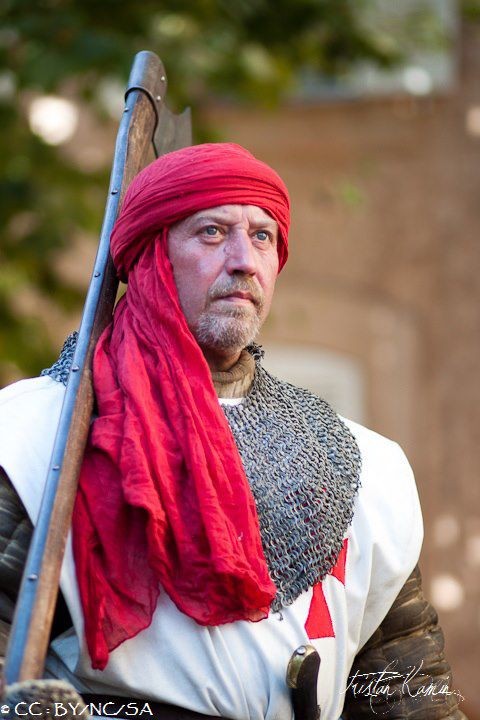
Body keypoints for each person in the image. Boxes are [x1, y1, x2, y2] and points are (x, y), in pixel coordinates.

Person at [0, 143, 466, 719]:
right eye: (213, 233)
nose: (244, 259)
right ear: (150, 257)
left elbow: (404, 686)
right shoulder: (36, 435)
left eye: (263, 236)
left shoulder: (366, 464)